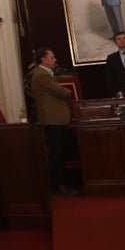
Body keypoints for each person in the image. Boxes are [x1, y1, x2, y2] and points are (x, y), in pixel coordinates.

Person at [27, 47, 77, 196]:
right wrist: (67, 91)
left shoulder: (45, 74)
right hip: (52, 119)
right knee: (56, 154)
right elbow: (62, 92)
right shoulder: (41, 74)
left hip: (55, 119)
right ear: (44, 59)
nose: (55, 60)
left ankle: (58, 184)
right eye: (52, 57)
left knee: (58, 153)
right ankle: (56, 186)